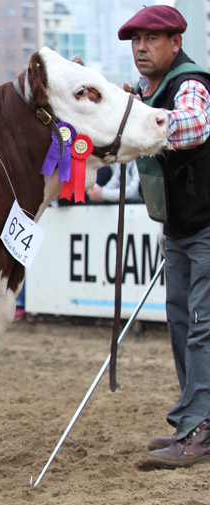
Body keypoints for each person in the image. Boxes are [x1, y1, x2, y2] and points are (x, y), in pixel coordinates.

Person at [118, 5, 210, 467]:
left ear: (176, 43)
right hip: (178, 228)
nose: (140, 47)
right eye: (135, 39)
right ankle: (194, 419)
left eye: (151, 39)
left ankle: (200, 428)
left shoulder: (191, 83)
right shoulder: (143, 91)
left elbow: (194, 126)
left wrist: (142, 124)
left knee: (201, 327)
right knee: (181, 324)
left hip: (206, 227)